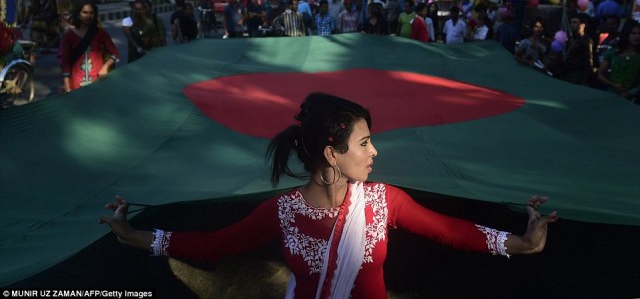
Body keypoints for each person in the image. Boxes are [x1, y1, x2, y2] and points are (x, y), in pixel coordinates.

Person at [100, 93, 557, 299]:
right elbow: (212, 245)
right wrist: (133, 236)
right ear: (330, 154)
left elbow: (450, 231)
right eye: (363, 143)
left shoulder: (383, 201)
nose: (375, 151)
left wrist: (520, 243)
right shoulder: (279, 212)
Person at [60, 1, 118, 92]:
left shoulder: (101, 33)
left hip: (98, 80)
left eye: (91, 13)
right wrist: (67, 87)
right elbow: (65, 62)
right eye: (85, 13)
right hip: (76, 82)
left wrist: (105, 67)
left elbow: (114, 53)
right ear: (78, 14)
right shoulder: (69, 36)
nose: (88, 16)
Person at [597, 19, 640, 101]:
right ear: (626, 34)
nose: (637, 36)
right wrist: (614, 85)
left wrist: (631, 93)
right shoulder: (613, 52)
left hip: (634, 100)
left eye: (639, 33)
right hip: (611, 95)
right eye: (633, 33)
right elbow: (600, 74)